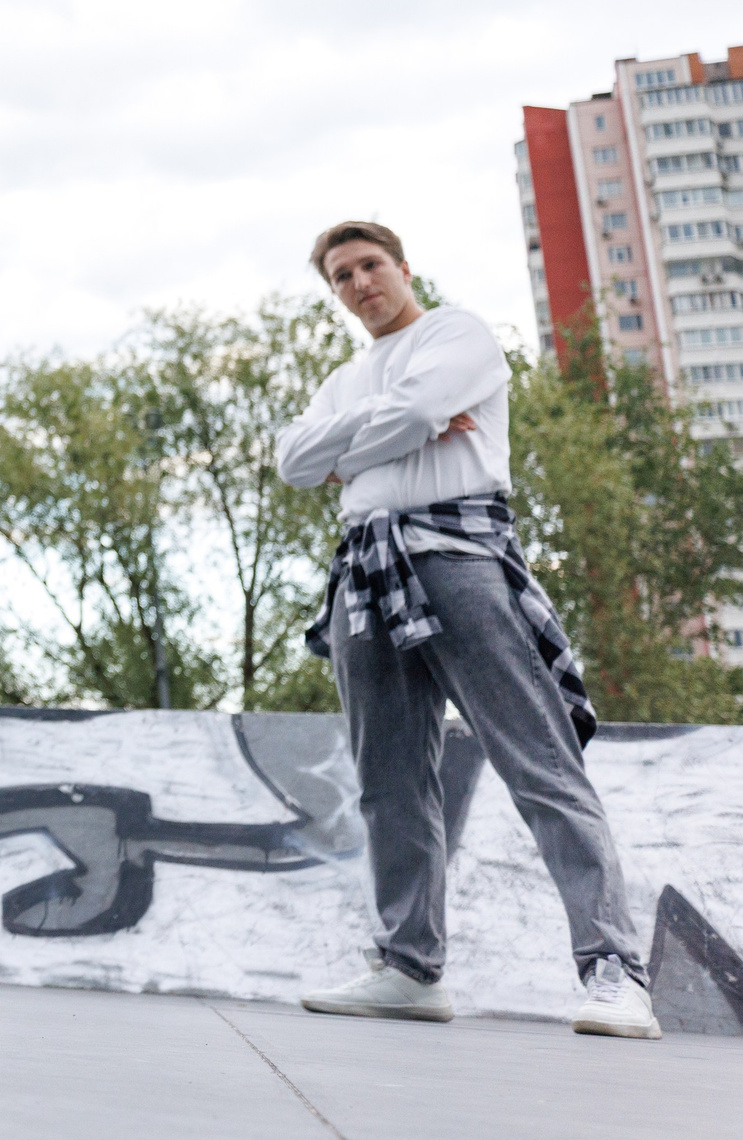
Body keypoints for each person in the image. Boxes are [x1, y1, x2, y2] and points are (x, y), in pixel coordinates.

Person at [277, 220, 657, 1040]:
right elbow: (295, 463)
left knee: (538, 761)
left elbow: (412, 410)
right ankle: (409, 969)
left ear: (403, 267)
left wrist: (360, 446)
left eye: (370, 265)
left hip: (458, 555)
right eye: (342, 276)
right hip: (364, 571)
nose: (360, 283)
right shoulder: (344, 377)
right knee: (387, 781)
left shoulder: (457, 334)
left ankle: (614, 971)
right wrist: (394, 426)